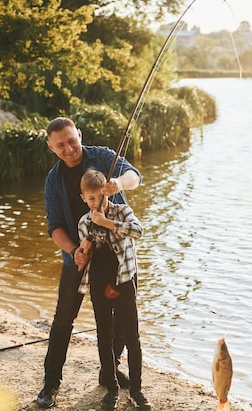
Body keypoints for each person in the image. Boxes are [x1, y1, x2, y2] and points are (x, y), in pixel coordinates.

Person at [37, 117, 141, 409]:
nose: (68, 148)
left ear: (79, 134)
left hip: (118, 258)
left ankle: (111, 370)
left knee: (121, 317)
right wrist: (73, 251)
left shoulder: (103, 156)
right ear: (51, 147)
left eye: (72, 140)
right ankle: (50, 383)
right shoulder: (52, 180)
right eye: (60, 145)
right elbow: (55, 225)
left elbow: (134, 175)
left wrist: (118, 183)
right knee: (62, 320)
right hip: (79, 256)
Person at [75, 169, 151, 410]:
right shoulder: (83, 223)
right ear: (84, 199)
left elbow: (138, 231)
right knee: (104, 335)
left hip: (124, 282)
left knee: (132, 336)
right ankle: (112, 387)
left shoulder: (121, 211)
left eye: (101, 197)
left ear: (107, 194)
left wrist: (108, 223)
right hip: (99, 285)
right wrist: (84, 248)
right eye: (91, 199)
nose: (97, 203)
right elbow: (83, 260)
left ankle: (137, 390)